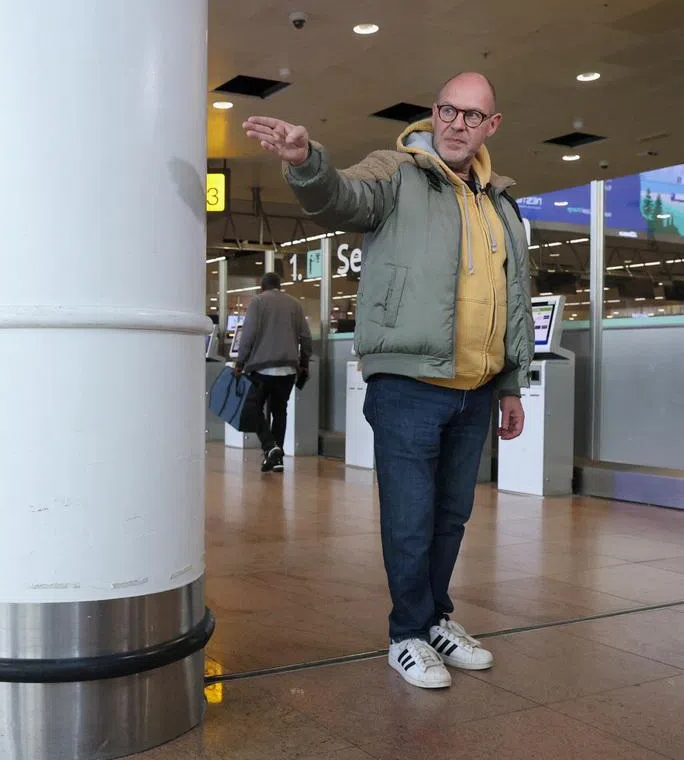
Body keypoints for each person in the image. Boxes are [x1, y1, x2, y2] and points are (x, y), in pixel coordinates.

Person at [243, 72, 533, 690]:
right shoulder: (397, 172)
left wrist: (511, 382)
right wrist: (307, 163)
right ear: (434, 112)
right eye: (449, 111)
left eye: (473, 116)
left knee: (451, 514)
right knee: (409, 513)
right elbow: (343, 198)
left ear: (492, 125)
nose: (458, 124)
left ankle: (434, 619)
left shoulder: (499, 203)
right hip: (408, 380)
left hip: (476, 386)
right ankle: (407, 633)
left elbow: (513, 297)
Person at [233, 271, 313, 473]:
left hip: (261, 368)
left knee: (252, 409)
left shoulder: (258, 302)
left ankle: (270, 447)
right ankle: (276, 459)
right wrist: (304, 363)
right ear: (280, 285)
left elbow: (248, 334)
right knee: (279, 412)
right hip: (288, 369)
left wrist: (240, 362)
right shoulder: (295, 304)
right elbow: (306, 337)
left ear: (262, 286)